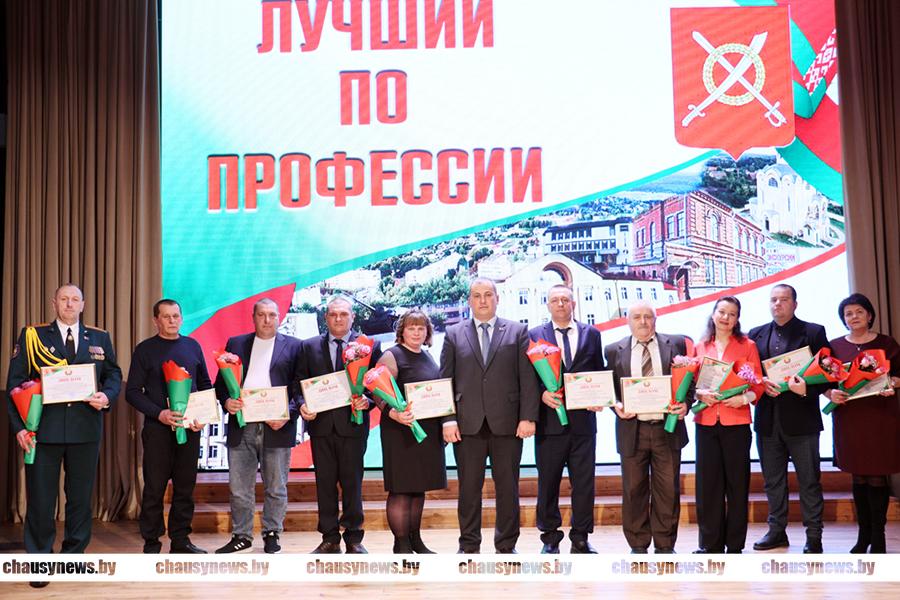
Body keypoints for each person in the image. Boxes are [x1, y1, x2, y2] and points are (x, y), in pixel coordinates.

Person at [6, 284, 122, 579]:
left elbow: (113, 373)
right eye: (64, 299)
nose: (69, 304)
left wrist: (107, 395)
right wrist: (19, 428)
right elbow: (14, 384)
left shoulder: (99, 337)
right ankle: (40, 561)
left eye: (75, 299)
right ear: (54, 303)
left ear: (83, 304)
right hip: (42, 431)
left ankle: (73, 558)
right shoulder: (32, 336)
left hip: (86, 430)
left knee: (81, 500)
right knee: (41, 500)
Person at [440, 278, 540, 554]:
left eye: (488, 295)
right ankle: (468, 545)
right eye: (477, 295)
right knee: (468, 490)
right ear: (469, 301)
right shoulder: (453, 333)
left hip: (508, 424)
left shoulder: (518, 331)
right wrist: (447, 419)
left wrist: (528, 417)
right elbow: (445, 379)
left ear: (497, 298)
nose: (482, 300)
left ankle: (506, 546)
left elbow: (527, 378)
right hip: (466, 425)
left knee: (507, 489)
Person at [213, 298, 303, 555]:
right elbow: (221, 385)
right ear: (253, 317)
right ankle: (241, 536)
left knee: (276, 486)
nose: (267, 320)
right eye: (261, 315)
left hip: (277, 426)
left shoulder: (295, 346)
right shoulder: (236, 344)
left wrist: (288, 414)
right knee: (239, 487)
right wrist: (227, 401)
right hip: (242, 425)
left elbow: (299, 388)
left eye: (272, 315)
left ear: (279, 317)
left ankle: (272, 533)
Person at [748, 283, 830, 554]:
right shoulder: (755, 334)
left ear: (795, 304)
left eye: (783, 299)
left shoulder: (813, 332)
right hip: (768, 421)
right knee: (773, 481)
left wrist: (806, 389)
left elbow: (829, 373)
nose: (777, 304)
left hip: (803, 420)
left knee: (809, 480)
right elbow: (749, 374)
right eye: (773, 299)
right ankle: (776, 531)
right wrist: (760, 383)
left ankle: (814, 535)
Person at [126, 298, 211, 554]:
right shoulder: (145, 350)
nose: (172, 320)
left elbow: (205, 385)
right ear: (156, 320)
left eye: (176, 316)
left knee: (185, 488)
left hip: (190, 429)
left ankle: (180, 540)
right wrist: (159, 413)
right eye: (166, 316)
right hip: (158, 430)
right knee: (154, 488)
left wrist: (203, 415)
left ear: (181, 318)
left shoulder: (193, 346)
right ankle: (152, 542)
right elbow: (132, 392)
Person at [604, 301, 690, 554]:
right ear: (627, 321)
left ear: (655, 319)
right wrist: (616, 406)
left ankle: (665, 545)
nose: (642, 321)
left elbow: (691, 380)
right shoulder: (613, 349)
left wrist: (686, 403)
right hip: (633, 429)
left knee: (668, 490)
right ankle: (638, 545)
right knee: (633, 490)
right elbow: (609, 388)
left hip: (667, 429)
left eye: (647, 316)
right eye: (636, 317)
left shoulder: (676, 343)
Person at [299, 295, 382, 554]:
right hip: (321, 427)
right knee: (324, 484)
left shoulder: (368, 346)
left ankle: (354, 538)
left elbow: (377, 383)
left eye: (343, 314)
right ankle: (330, 538)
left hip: (353, 426)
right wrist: (302, 405)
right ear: (325, 317)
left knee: (352, 484)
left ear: (352, 317)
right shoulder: (308, 347)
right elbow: (298, 384)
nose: (338, 319)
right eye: (333, 314)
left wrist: (368, 401)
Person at [527, 284, 605, 554]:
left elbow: (598, 371)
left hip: (584, 423)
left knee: (584, 483)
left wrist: (601, 396)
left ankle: (580, 537)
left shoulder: (592, 334)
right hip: (549, 423)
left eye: (565, 299)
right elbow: (528, 377)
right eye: (555, 300)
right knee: (548, 483)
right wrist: (541, 394)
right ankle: (550, 538)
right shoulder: (535, 335)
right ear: (548, 305)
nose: (560, 304)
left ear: (573, 304)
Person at [823, 292, 900, 553]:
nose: (854, 317)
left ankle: (878, 536)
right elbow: (825, 382)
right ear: (843, 319)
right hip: (849, 418)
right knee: (858, 477)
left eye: (859, 312)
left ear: (869, 315)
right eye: (848, 314)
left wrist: (891, 383)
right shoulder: (834, 346)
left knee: (877, 475)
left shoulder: (886, 343)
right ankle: (863, 535)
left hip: (880, 416)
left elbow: (899, 375)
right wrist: (830, 393)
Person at [691, 296, 764, 554]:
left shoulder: (748, 345)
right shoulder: (700, 346)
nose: (725, 317)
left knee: (737, 485)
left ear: (737, 319)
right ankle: (709, 545)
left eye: (732, 314)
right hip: (706, 422)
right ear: (713, 314)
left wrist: (743, 398)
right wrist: (699, 395)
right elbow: (690, 385)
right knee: (708, 486)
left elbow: (758, 385)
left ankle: (734, 545)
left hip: (737, 423)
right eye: (722, 312)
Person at [372, 309, 447, 553]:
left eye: (421, 328)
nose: (416, 332)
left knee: (418, 488)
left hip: (425, 432)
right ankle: (401, 544)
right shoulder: (391, 356)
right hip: (400, 432)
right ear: (401, 331)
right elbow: (377, 391)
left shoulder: (427, 355)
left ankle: (416, 540)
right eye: (411, 328)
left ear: (427, 332)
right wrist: (393, 413)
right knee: (401, 490)